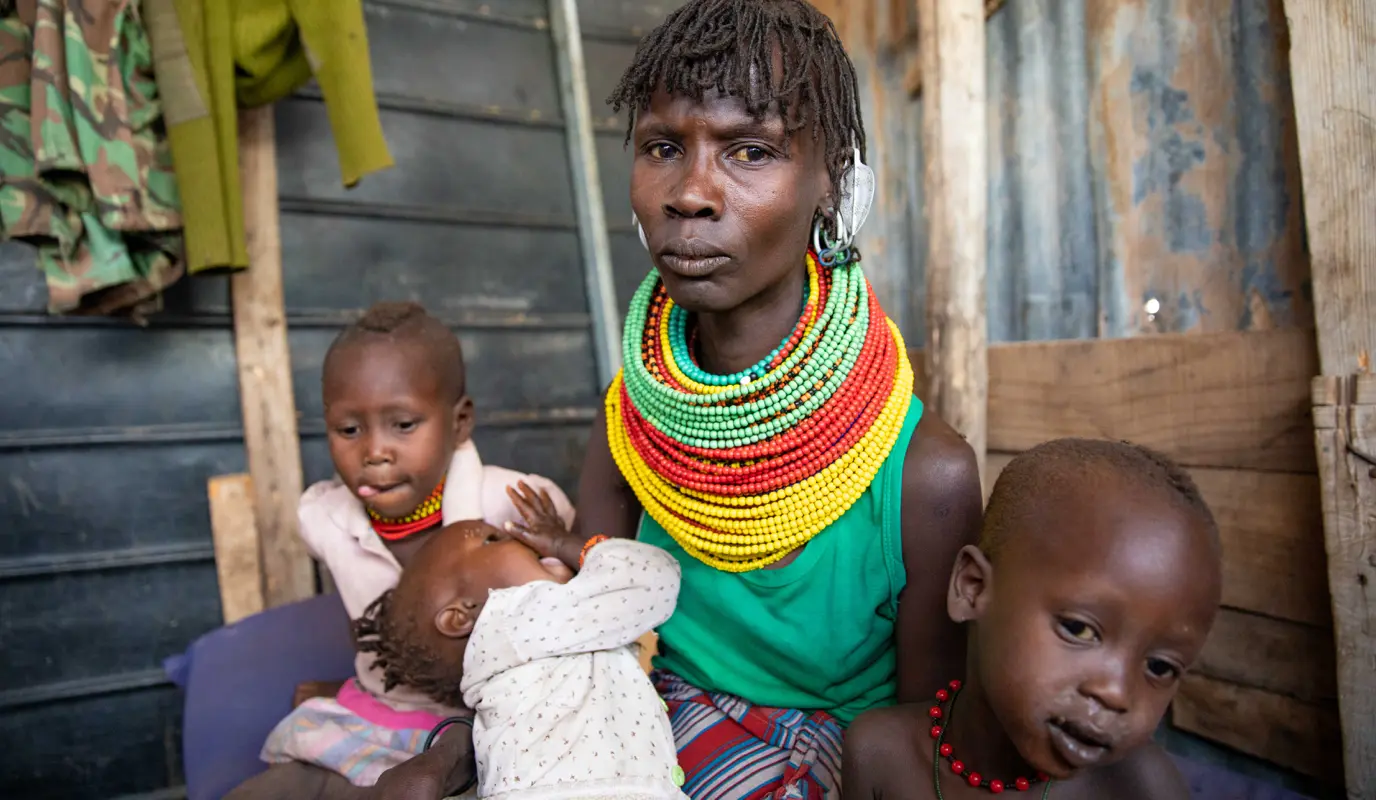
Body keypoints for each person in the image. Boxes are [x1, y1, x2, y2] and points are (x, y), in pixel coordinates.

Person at [502, 1, 984, 797]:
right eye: (663, 147)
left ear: (836, 183)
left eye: (751, 151)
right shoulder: (632, 415)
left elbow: (922, 742)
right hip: (643, 730)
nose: (690, 194)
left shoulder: (927, 477)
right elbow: (602, 620)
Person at [225, 302, 576, 797]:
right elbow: (367, 616)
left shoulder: (509, 505)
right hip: (376, 712)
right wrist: (366, 682)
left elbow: (575, 593)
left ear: (459, 422)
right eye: (349, 429)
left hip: (491, 722)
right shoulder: (324, 518)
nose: (374, 451)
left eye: (403, 425)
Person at [841, 439, 1222, 799]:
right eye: (1079, 629)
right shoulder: (880, 754)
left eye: (1159, 667)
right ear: (972, 588)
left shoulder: (1141, 787)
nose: (1116, 692)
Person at [354, 503, 687, 800]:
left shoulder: (522, 646)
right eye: (493, 539)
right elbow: (655, 577)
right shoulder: (510, 617)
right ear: (463, 615)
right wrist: (567, 544)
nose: (526, 540)